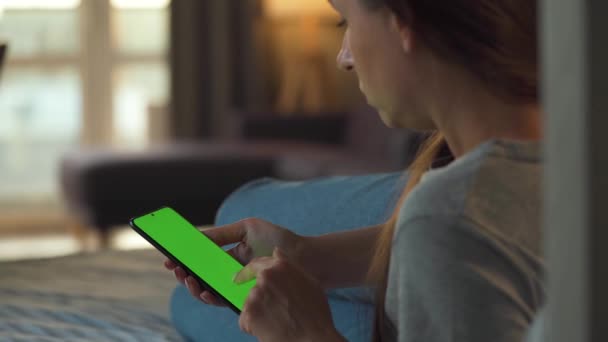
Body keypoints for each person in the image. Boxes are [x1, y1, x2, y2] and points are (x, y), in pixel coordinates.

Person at [166, 0, 543, 341]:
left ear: (403, 23)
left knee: (214, 270)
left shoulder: (447, 215)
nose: (343, 58)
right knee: (231, 279)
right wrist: (306, 255)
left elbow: (456, 234)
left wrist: (307, 334)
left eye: (345, 22)